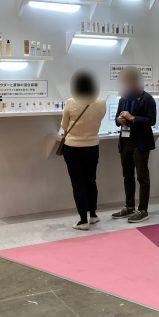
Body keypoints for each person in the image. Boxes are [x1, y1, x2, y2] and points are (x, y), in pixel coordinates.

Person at [61, 70, 107, 231]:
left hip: (73, 147)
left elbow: (64, 125)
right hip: (93, 147)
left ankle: (83, 220)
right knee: (91, 180)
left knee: (78, 183)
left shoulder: (71, 102)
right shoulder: (101, 102)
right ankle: (93, 215)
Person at [111, 67, 157, 223]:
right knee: (127, 175)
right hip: (125, 142)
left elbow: (152, 120)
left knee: (142, 177)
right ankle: (129, 206)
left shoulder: (147, 99)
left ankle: (143, 210)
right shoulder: (123, 99)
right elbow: (117, 120)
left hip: (141, 143)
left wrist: (132, 118)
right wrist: (119, 120)